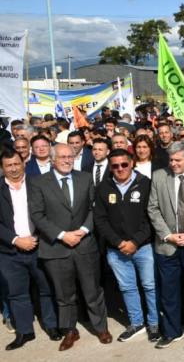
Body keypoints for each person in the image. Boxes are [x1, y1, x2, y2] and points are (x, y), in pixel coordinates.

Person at [29, 143, 112, 350]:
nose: (67, 160)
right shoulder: (39, 183)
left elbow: (95, 208)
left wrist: (83, 230)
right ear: (52, 159)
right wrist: (62, 235)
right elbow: (37, 215)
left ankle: (100, 327)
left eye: (71, 157)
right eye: (63, 157)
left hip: (85, 244)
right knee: (64, 295)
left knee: (92, 290)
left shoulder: (84, 178)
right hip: (56, 248)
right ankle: (69, 331)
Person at [93, 149, 159, 342]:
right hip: (117, 250)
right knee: (127, 287)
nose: (120, 169)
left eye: (124, 164)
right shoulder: (103, 187)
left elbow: (151, 217)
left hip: (143, 247)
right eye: (115, 166)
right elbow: (100, 220)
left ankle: (154, 323)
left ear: (131, 163)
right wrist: (119, 242)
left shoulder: (146, 184)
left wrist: (135, 242)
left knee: (149, 286)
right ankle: (136, 323)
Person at [0, 148, 61, 350]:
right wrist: (16, 240)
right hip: (10, 251)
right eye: (8, 165)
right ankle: (25, 331)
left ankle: (51, 325)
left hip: (39, 245)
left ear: (24, 163)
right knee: (17, 293)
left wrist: (37, 237)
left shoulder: (39, 184)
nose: (14, 168)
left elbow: (50, 212)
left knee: (46, 289)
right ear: (2, 168)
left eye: (17, 163)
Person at [146, 141, 184, 348]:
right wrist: (168, 235)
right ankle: (172, 331)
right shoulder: (159, 176)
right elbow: (153, 209)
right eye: (171, 159)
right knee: (169, 291)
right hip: (167, 244)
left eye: (178, 160)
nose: (173, 163)